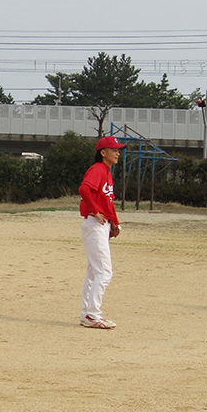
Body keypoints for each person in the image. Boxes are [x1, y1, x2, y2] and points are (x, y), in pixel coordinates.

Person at [79, 136, 125, 329]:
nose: (117, 153)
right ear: (103, 153)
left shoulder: (106, 172)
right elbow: (84, 189)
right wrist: (95, 211)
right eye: (113, 150)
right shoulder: (97, 169)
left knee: (94, 273)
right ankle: (93, 315)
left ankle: (87, 314)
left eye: (118, 150)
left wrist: (115, 223)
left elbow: (108, 201)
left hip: (101, 225)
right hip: (94, 224)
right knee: (104, 272)